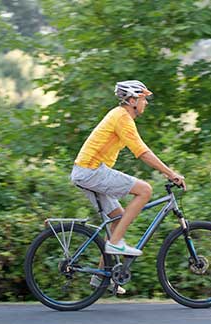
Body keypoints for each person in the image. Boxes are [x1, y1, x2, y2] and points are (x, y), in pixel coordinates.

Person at [70, 80, 186, 293]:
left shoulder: (120, 116)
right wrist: (171, 174)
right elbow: (142, 152)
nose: (146, 103)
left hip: (88, 171)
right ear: (132, 100)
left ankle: (101, 278)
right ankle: (114, 243)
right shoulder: (122, 117)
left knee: (117, 216)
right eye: (143, 99)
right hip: (91, 170)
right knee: (145, 190)